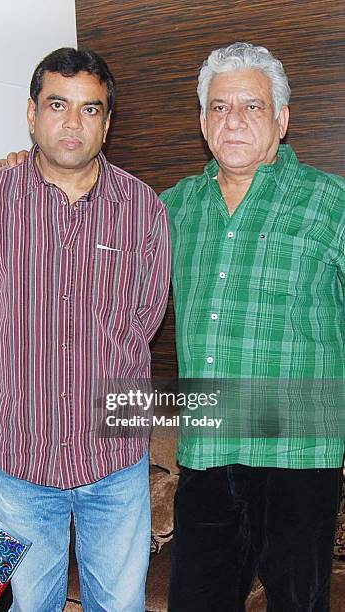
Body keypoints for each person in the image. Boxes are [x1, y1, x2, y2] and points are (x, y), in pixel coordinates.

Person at [0, 47, 170, 611]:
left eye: (91, 109)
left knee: (121, 604)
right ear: (31, 113)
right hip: (16, 463)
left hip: (115, 463)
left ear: (107, 122)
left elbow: (143, 322)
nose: (73, 122)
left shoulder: (143, 208)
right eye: (57, 104)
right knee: (25, 603)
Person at [162, 42, 345, 611]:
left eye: (251, 106)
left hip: (301, 455)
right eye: (218, 107)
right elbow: (88, 226)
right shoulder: (170, 208)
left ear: (282, 119)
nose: (232, 119)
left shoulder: (331, 203)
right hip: (208, 448)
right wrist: (28, 169)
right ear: (201, 121)